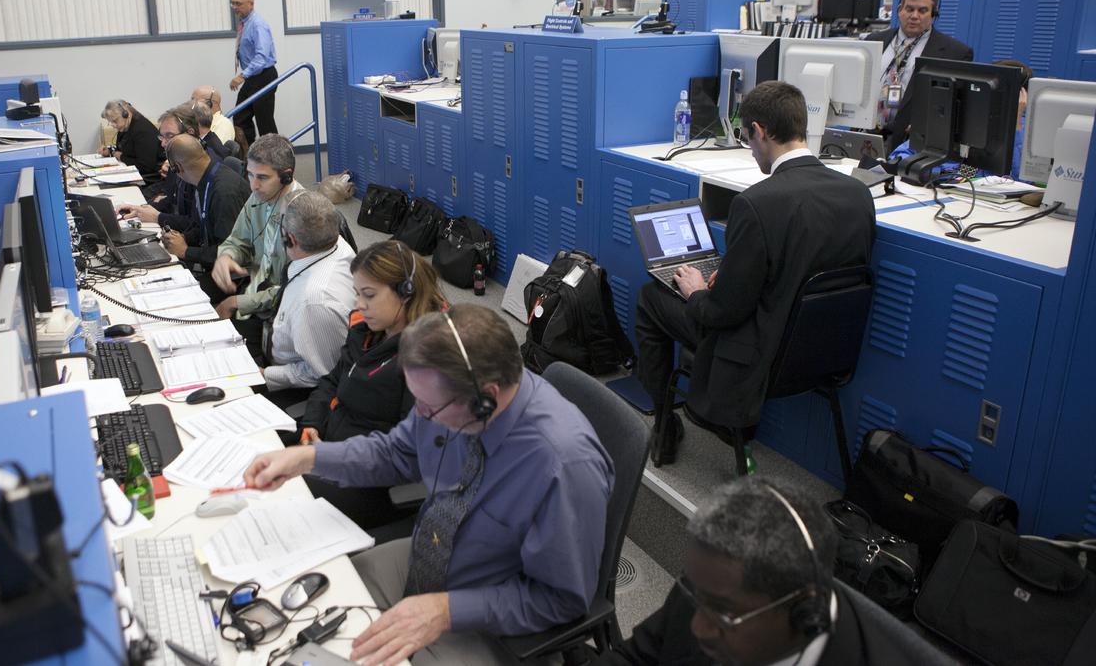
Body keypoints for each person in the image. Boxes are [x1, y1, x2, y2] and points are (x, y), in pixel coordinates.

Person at [243, 304, 615, 666]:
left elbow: (561, 599)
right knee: (324, 598)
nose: (419, 415)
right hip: (433, 553)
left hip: (492, 620)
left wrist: (446, 611)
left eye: (428, 407)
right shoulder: (452, 398)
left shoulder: (562, 466)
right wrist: (309, 458)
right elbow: (396, 452)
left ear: (487, 399)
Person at [635, 81, 876, 460]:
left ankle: (665, 426)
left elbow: (721, 313)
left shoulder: (756, 202)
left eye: (747, 138)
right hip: (824, 353)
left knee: (650, 299)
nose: (750, 150)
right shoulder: (857, 194)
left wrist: (697, 291)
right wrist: (731, 274)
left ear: (760, 131)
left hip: (763, 359)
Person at [595, 477, 949, 666]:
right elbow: (635, 657)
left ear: (804, 611)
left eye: (722, 615)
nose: (697, 626)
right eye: (696, 597)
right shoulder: (712, 586)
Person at [298, 241, 449, 529]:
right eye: (357, 294)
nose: (359, 305)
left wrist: (330, 458)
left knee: (280, 497)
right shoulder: (367, 331)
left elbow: (407, 449)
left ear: (407, 292)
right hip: (330, 447)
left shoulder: (428, 358)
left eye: (369, 295)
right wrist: (312, 422)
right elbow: (332, 380)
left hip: (370, 480)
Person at [259, 190, 356, 406]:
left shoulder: (314, 302)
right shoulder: (332, 240)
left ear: (290, 238)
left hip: (293, 385)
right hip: (280, 336)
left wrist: (266, 375)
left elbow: (322, 373)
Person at [211, 134, 304, 352]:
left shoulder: (302, 216)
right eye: (250, 174)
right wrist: (227, 256)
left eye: (262, 177)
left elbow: (292, 289)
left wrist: (237, 302)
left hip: (280, 311)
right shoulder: (258, 197)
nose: (253, 185)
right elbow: (237, 240)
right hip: (253, 292)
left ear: (286, 177)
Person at [865, 0, 974, 151]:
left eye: (922, 10)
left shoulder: (955, 53)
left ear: (933, 15)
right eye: (909, 9)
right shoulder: (874, 41)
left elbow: (957, 107)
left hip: (910, 141)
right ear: (900, 9)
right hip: (867, 132)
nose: (914, 16)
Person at [889, 59, 1035, 182]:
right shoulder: (959, 115)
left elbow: (1019, 182)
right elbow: (898, 157)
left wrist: (1014, 124)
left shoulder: (1029, 131)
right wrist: (946, 174)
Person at [159, 134, 247, 273]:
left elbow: (231, 252)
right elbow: (203, 225)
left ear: (178, 168)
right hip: (211, 262)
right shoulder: (205, 178)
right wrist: (183, 238)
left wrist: (185, 251)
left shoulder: (223, 193)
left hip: (231, 275)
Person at [116, 107, 198, 229]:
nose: (163, 143)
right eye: (161, 137)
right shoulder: (177, 161)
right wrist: (140, 209)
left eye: (169, 136)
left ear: (190, 134)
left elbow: (196, 224)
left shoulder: (198, 170)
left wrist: (158, 217)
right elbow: (171, 201)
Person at [228, 0, 279, 145]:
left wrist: (241, 76)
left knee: (265, 122)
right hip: (253, 77)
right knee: (240, 117)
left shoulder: (258, 25)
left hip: (263, 75)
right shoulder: (245, 22)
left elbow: (262, 57)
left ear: (251, 4)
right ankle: (250, 154)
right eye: (233, 3)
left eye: (238, 4)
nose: (235, 7)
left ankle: (276, 159)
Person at [99, 100, 164, 186]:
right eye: (110, 122)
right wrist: (110, 151)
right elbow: (125, 150)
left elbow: (146, 166)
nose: (113, 125)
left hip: (149, 180)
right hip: (137, 174)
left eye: (114, 121)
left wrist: (121, 156)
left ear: (126, 114)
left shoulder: (142, 131)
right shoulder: (126, 126)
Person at [190, 84, 239, 150]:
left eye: (194, 100)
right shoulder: (196, 121)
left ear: (209, 104)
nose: (191, 104)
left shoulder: (223, 124)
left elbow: (216, 152)